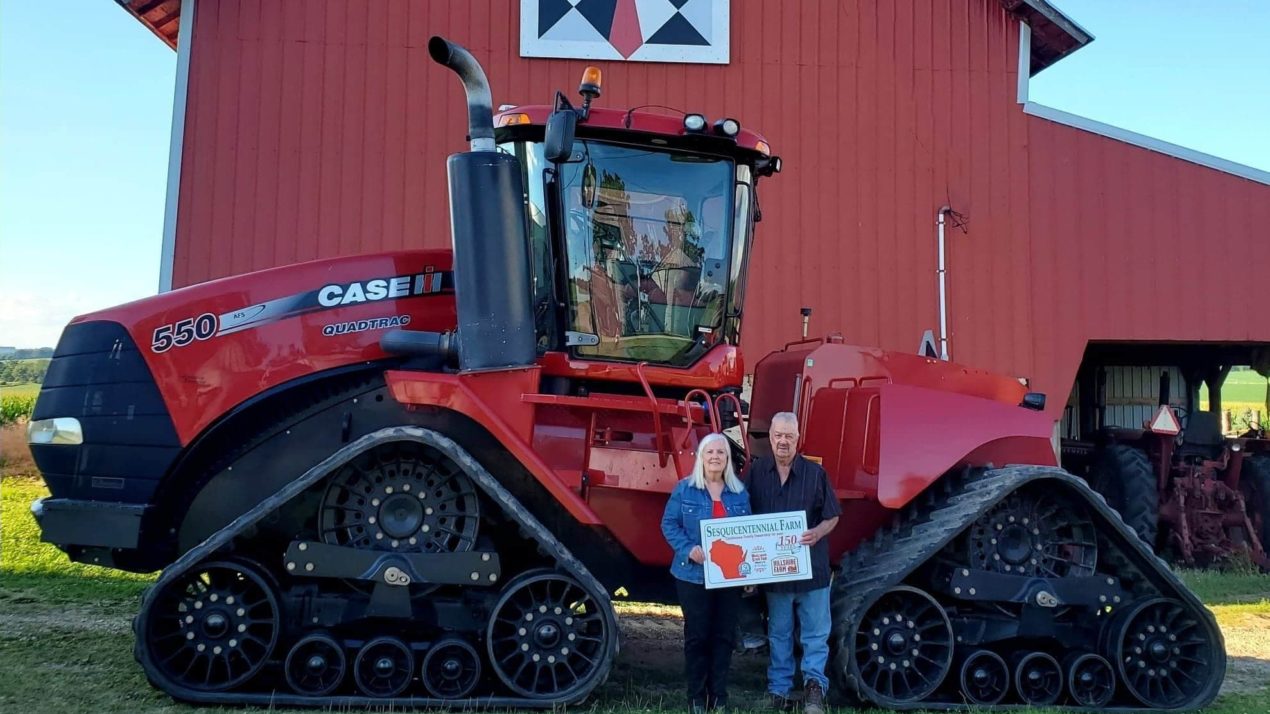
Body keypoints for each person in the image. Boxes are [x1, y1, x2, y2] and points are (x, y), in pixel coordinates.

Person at [745, 412, 841, 714]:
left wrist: (817, 533)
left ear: (798, 438)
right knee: (779, 634)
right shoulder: (756, 472)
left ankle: (814, 690)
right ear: (770, 437)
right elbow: (743, 517)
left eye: (789, 435)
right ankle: (779, 690)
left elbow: (833, 514)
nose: (783, 441)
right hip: (775, 575)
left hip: (812, 571)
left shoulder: (816, 474)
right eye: (778, 435)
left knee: (815, 634)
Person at [661, 432, 753, 713]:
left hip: (729, 576)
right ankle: (696, 698)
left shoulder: (739, 494)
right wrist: (688, 548)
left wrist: (750, 575)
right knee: (698, 636)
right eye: (710, 452)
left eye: (720, 453)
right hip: (692, 575)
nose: (715, 457)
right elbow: (669, 525)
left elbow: (749, 535)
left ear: (727, 459)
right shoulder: (685, 489)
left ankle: (719, 697)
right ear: (701, 457)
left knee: (724, 636)